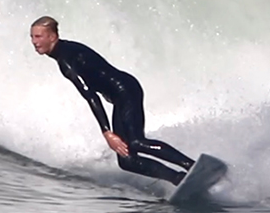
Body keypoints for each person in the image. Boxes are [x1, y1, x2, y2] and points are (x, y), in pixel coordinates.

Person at [30, 16, 194, 185]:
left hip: (126, 90)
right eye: (32, 37)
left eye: (38, 36)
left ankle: (191, 166)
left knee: (136, 142)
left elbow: (90, 95)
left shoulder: (66, 59)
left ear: (52, 37)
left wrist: (107, 132)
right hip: (121, 96)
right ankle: (178, 179)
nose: (34, 42)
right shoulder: (66, 50)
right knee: (126, 160)